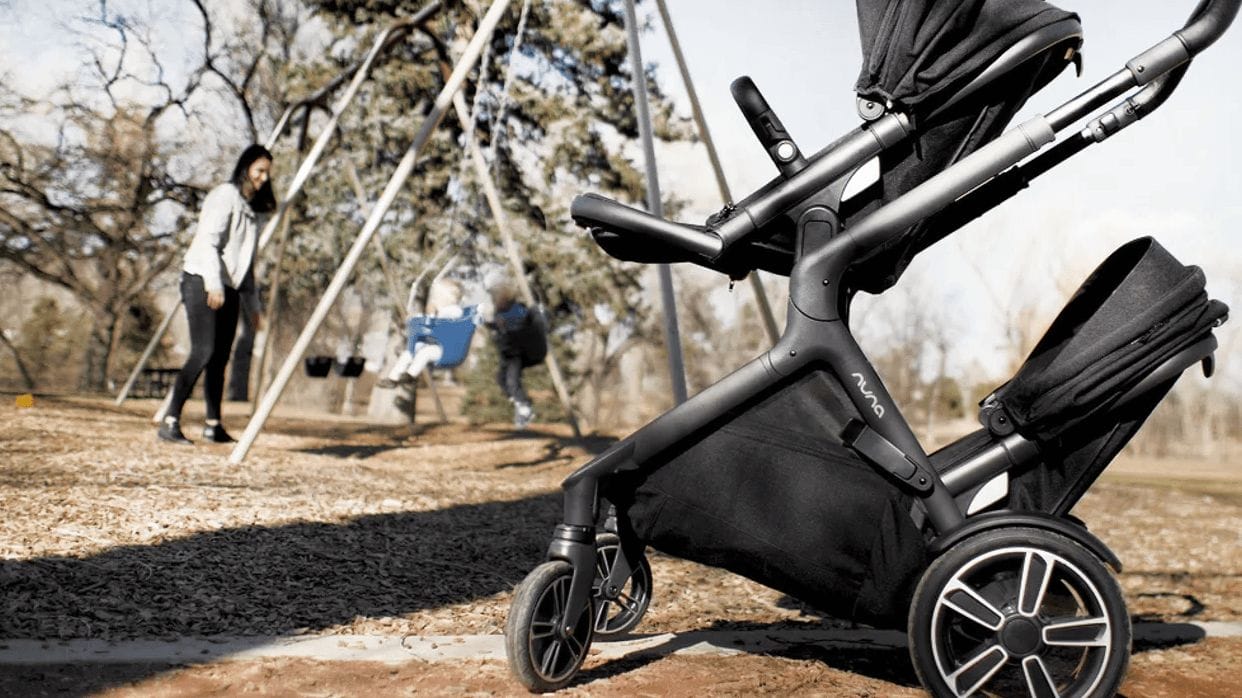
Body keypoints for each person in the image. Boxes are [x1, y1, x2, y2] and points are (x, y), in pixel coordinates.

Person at [158, 145, 274, 444]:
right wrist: (213, 283)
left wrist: (255, 308)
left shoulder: (252, 212)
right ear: (246, 167)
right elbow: (209, 242)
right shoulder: (225, 197)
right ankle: (170, 419)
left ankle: (213, 424)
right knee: (203, 350)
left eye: (267, 173)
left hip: (230, 288)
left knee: (220, 358)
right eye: (259, 170)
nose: (263, 178)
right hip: (202, 279)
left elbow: (245, 268)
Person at [377, 279, 466, 389]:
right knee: (411, 350)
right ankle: (393, 378)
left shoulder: (454, 311)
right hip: (437, 344)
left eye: (436, 297)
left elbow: (439, 327)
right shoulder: (444, 311)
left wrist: (429, 316)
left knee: (425, 352)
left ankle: (410, 376)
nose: (434, 300)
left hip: (448, 350)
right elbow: (432, 325)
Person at [483, 280, 547, 429]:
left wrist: (504, 326)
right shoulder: (500, 312)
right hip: (507, 352)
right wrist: (490, 325)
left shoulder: (517, 310)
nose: (494, 302)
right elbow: (499, 327)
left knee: (512, 381)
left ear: (505, 299)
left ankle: (524, 406)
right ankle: (520, 403)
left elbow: (520, 326)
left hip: (516, 351)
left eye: (496, 299)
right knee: (501, 379)